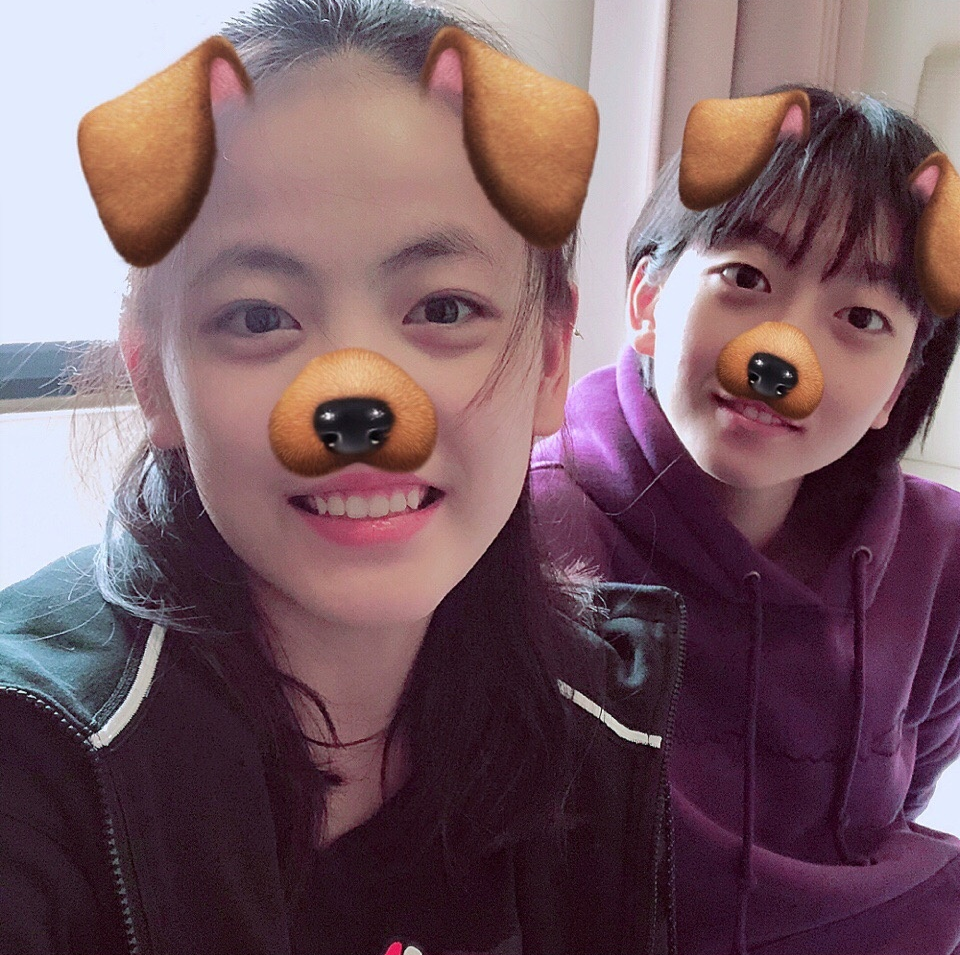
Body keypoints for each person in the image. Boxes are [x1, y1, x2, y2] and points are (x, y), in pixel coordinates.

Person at [0, 2, 684, 953]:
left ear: (553, 357)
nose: (358, 405)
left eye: (443, 308)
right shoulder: (31, 758)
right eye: (257, 317)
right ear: (153, 375)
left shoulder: (599, 717)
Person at [531, 86, 960, 954]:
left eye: (861, 317)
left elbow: (893, 814)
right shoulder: (524, 528)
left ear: (900, 385)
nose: (780, 355)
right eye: (746, 278)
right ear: (647, 302)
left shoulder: (943, 559)